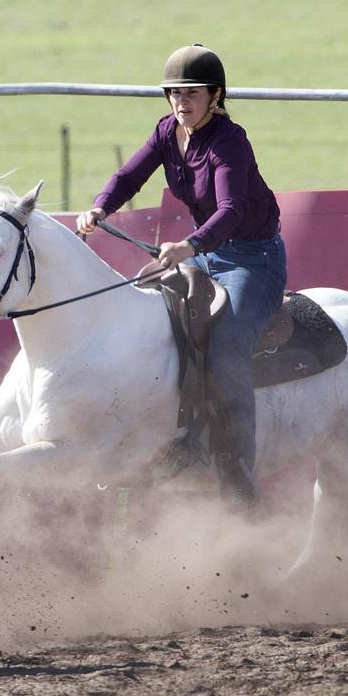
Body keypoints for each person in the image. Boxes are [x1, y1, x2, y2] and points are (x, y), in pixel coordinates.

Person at [77, 43, 287, 508]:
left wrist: (189, 245)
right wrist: (100, 205)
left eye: (192, 93)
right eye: (174, 93)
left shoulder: (230, 141)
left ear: (216, 96)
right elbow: (129, 176)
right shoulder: (166, 131)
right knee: (144, 304)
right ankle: (174, 440)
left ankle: (237, 473)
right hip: (207, 254)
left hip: (254, 260)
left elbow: (232, 209)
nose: (181, 102)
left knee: (229, 346)